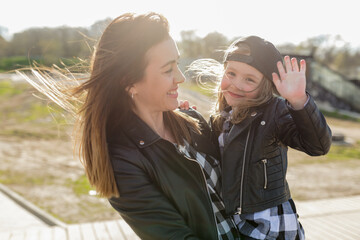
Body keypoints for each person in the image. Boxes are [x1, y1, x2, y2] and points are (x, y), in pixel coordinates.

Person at [20, 12, 240, 239]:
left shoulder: (192, 121)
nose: (181, 77)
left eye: (177, 63)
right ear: (129, 82)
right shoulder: (123, 163)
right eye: (168, 70)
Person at [187, 36, 332, 239]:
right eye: (231, 73)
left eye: (249, 79)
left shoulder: (275, 113)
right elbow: (212, 160)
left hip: (269, 223)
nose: (236, 84)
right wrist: (189, 120)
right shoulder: (220, 118)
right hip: (235, 219)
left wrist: (299, 100)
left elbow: (318, 145)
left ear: (265, 85)